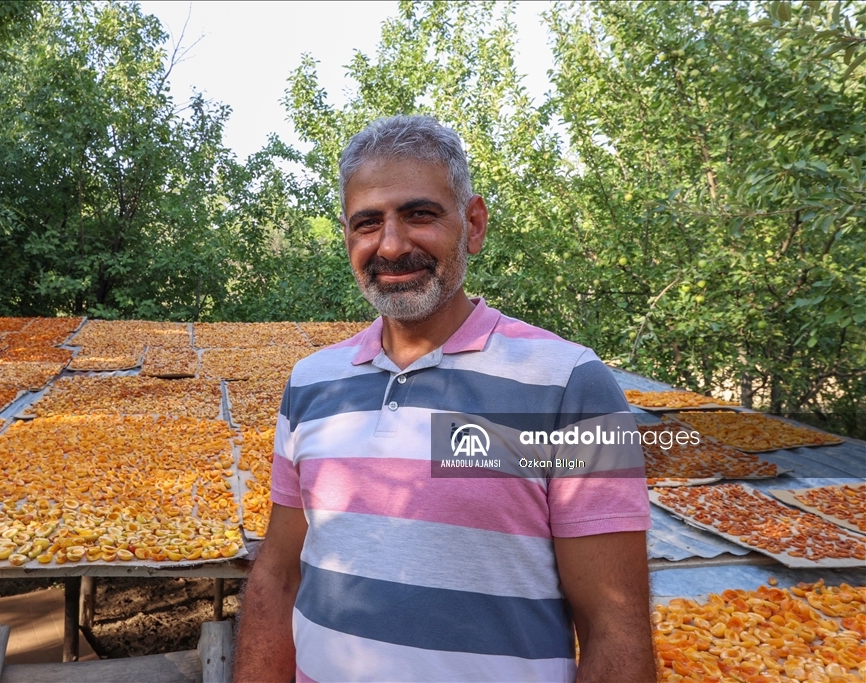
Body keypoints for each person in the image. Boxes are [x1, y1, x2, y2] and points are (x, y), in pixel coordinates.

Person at [233, 115, 655, 683]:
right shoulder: (312, 382)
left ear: (473, 225)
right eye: (367, 223)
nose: (391, 244)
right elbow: (277, 577)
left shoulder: (568, 385)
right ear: (347, 237)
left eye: (420, 215)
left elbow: (615, 627)